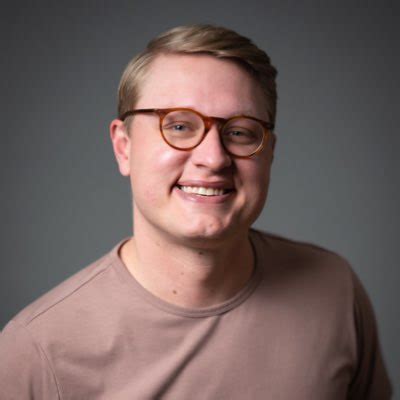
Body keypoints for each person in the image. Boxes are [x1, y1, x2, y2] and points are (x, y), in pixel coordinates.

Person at [0, 24, 392, 399]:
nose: (213, 158)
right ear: (124, 147)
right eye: (179, 126)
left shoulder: (335, 290)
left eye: (239, 132)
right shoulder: (35, 352)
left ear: (270, 153)